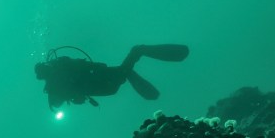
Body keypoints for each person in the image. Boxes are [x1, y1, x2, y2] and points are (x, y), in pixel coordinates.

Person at [35, 44, 189, 110]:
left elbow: (59, 106)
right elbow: (85, 65)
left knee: (124, 71)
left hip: (105, 85)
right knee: (136, 52)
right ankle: (130, 70)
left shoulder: (54, 85)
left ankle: (129, 73)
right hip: (105, 81)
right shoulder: (59, 73)